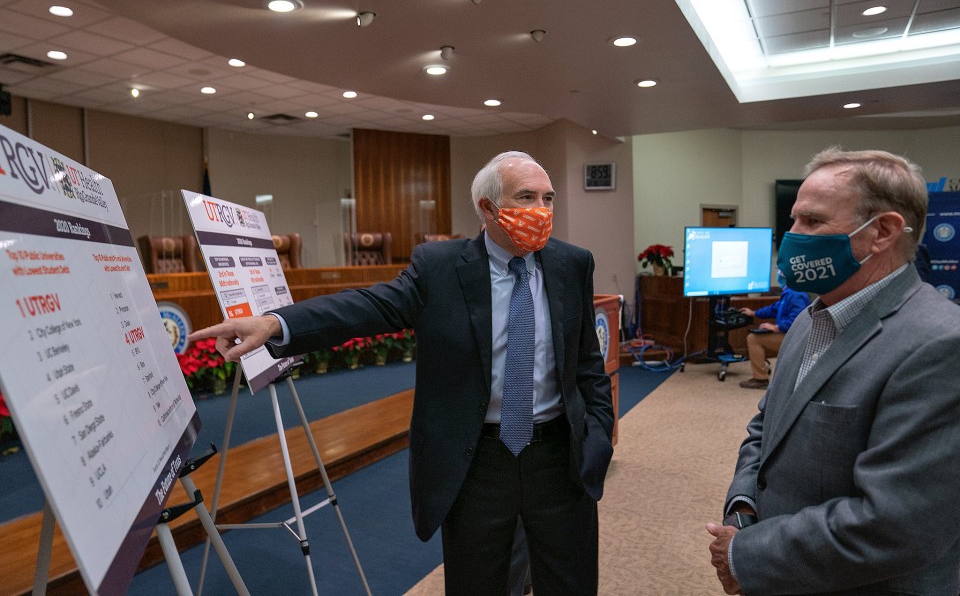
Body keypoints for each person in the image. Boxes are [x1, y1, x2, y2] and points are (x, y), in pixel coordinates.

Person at [189, 151, 614, 595]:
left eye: (548, 199)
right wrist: (276, 323)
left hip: (560, 459)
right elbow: (368, 307)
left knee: (572, 583)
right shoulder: (441, 268)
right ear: (487, 209)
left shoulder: (572, 263)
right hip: (477, 465)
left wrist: (597, 438)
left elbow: (586, 363)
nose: (541, 212)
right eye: (526, 197)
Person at [705, 147, 960, 595]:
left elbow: (897, 525)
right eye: (794, 220)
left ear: (882, 231)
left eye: (813, 222)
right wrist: (744, 506)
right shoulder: (811, 316)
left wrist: (746, 553)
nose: (793, 236)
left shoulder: (941, 345)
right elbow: (766, 427)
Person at [737, 272, 810, 389]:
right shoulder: (790, 293)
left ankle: (760, 379)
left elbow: (798, 319)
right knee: (755, 337)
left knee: (753, 339)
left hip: (793, 338)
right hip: (788, 334)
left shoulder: (796, 295)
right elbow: (773, 309)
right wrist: (754, 313)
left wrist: (776, 327)